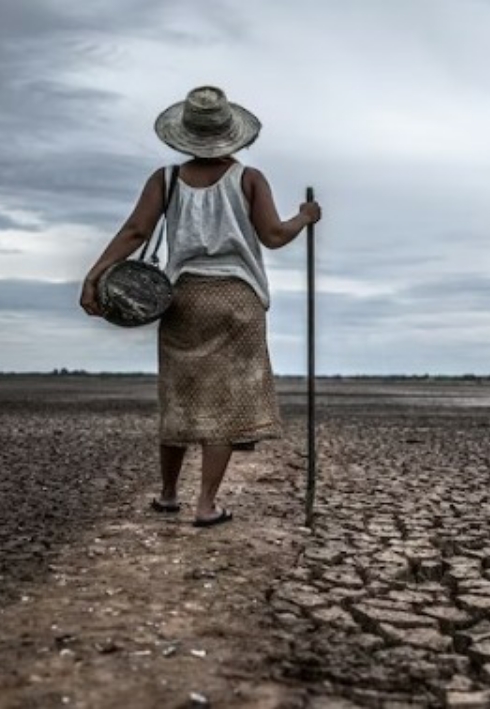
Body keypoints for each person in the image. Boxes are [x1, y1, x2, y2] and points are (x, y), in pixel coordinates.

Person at [80, 86, 321, 527]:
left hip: (182, 298)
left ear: (185, 134)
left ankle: (169, 494)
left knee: (179, 396)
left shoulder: (166, 179)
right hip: (238, 300)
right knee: (226, 406)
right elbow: (273, 235)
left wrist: (95, 274)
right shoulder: (248, 178)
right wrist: (304, 218)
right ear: (232, 135)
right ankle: (206, 505)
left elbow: (136, 231)